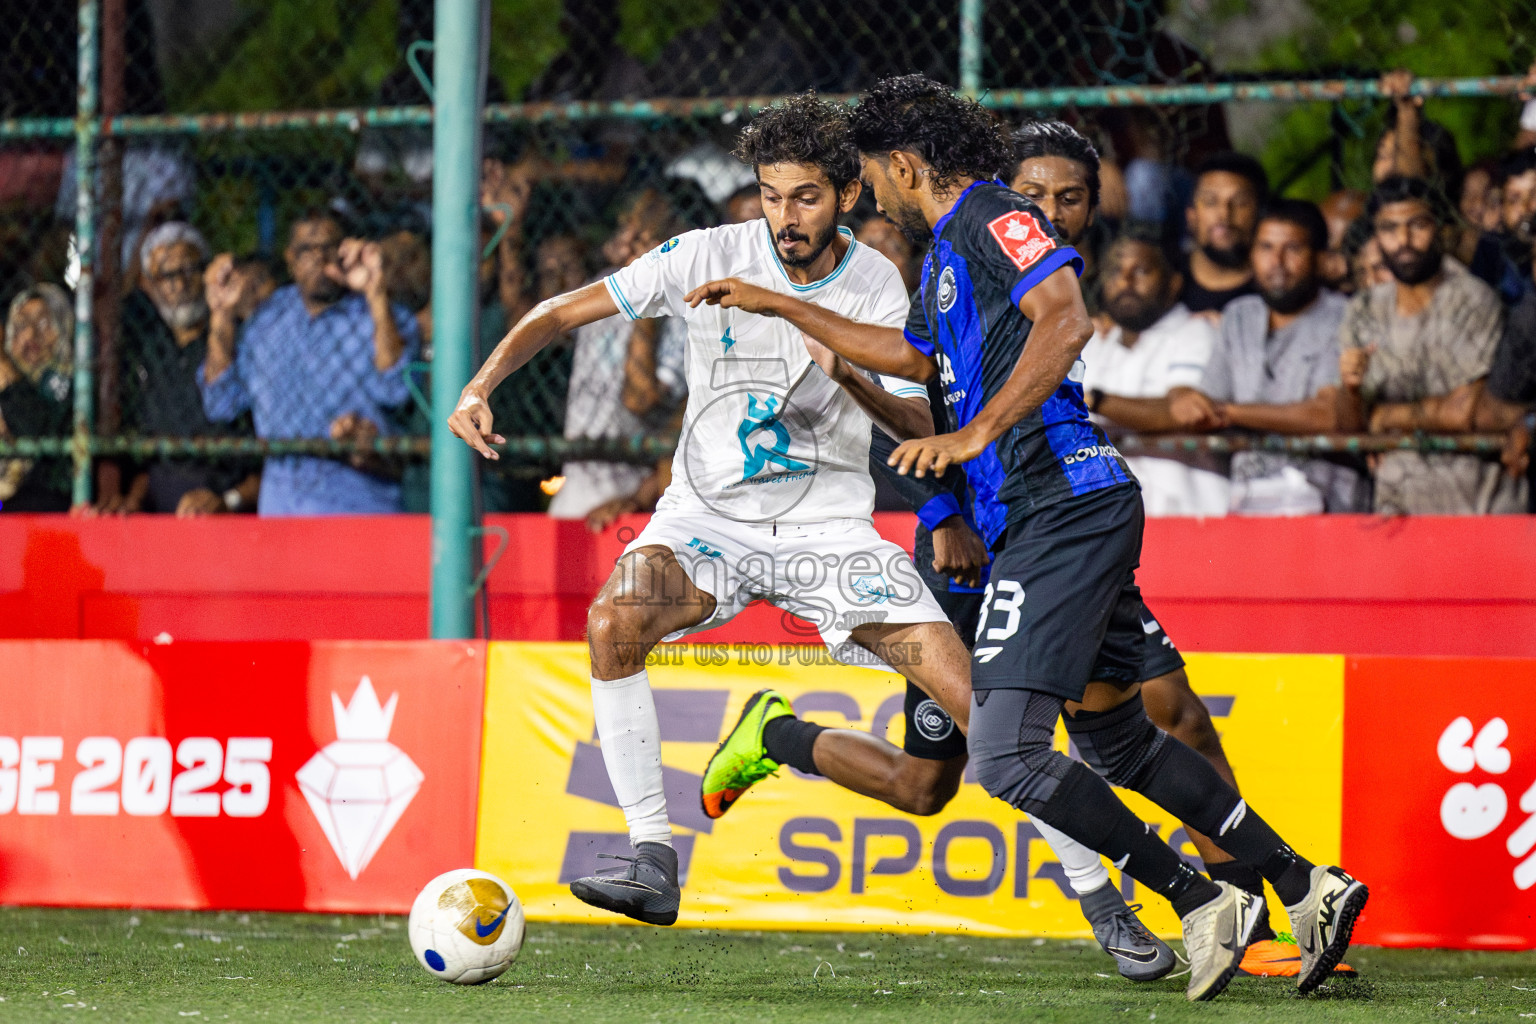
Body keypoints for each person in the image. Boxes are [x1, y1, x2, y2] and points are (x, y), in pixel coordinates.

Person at [686, 75, 1367, 1002]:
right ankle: (1305, 886)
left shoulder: (993, 216)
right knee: (1118, 743)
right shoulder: (943, 255)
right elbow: (913, 359)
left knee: (1006, 757)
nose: (869, 195)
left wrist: (975, 433)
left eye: (871, 177)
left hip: (1059, 505)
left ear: (903, 165)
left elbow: (1067, 316)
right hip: (1051, 512)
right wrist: (789, 310)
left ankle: (1201, 901)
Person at [448, 93, 978, 936]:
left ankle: (1105, 899)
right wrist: (479, 386)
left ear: (847, 192)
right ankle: (653, 858)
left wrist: (846, 373)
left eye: (804, 197)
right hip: (706, 524)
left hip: (829, 533)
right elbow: (560, 312)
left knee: (978, 708)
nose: (784, 217)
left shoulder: (878, 282)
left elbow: (921, 421)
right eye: (770, 195)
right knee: (613, 622)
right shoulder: (705, 253)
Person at [200, 210, 420, 515]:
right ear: (290, 259)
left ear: (345, 251)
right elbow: (221, 402)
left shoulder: (381, 315)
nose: (319, 258)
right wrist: (221, 315)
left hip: (359, 501)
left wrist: (376, 293)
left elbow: (396, 389)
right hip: (282, 506)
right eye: (306, 249)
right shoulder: (267, 320)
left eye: (329, 247)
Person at [1338, 176, 1524, 515]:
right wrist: (1351, 392)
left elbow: (1465, 411)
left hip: (1477, 508)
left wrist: (1383, 416)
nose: (1403, 240)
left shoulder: (1473, 299)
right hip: (1398, 511)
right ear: (1376, 235)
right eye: (1389, 229)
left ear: (1438, 227)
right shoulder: (1363, 309)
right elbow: (1351, 428)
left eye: (1417, 225)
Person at [1167, 200, 1366, 515]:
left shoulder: (1347, 316)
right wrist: (1186, 401)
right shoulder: (1239, 316)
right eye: (1266, 247)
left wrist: (1230, 412)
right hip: (1249, 502)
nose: (1277, 262)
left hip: (1327, 505)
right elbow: (1207, 403)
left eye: (1293, 249)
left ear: (1320, 259)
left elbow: (1327, 414)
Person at [549, 190, 690, 523]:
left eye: (642, 233)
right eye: (627, 225)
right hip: (577, 478)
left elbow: (640, 398)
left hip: (636, 485)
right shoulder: (605, 283)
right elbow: (548, 329)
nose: (628, 239)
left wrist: (649, 294)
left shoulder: (685, 308)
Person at [106, 223, 261, 516]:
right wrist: (134, 501)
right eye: (166, 276)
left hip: (227, 505)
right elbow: (151, 466)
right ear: (148, 285)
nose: (179, 284)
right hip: (162, 512)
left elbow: (265, 463)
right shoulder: (148, 351)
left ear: (206, 274)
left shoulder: (237, 341)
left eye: (189, 269)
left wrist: (228, 500)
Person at [1079, 231, 1229, 517]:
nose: (1125, 282)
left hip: (1186, 514)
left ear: (1174, 283)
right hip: (1108, 519)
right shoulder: (1094, 342)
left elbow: (1184, 412)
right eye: (1115, 271)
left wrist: (1094, 401)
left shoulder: (1197, 333)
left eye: (1141, 271)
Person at [1009, 120, 1116, 320]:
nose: (1051, 213)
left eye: (1069, 199)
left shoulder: (1116, 291)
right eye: (1033, 196)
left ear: (1091, 212)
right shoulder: (971, 275)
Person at [0, 283, 73, 511]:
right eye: (21, 326)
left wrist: (7, 375)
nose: (30, 335)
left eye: (43, 323)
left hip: (49, 509)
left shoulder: (68, 386)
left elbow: (34, 429)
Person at [1181, 152, 1267, 316]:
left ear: (1260, 213)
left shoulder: (1277, 288)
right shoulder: (1166, 279)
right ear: (1191, 216)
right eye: (1210, 201)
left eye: (1240, 202)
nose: (1224, 214)